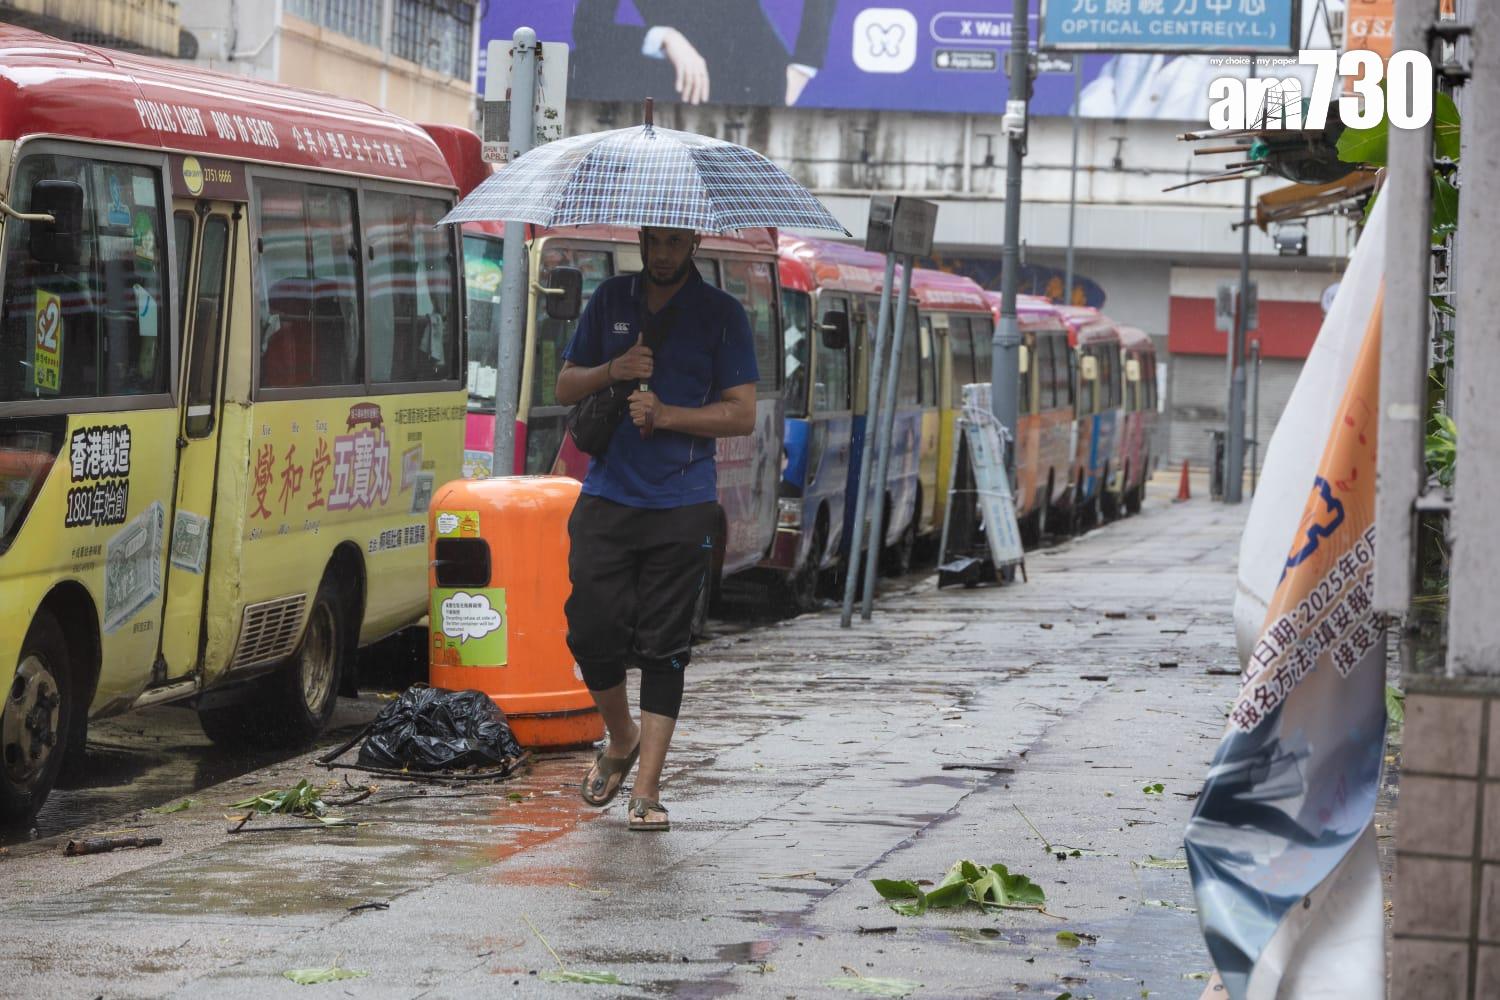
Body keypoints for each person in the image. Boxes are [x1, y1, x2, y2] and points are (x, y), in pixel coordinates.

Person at [555, 226, 758, 831]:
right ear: (642, 239)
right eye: (655, 241)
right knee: (590, 629)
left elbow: (742, 412)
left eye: (676, 242)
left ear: (693, 241)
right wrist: (613, 369)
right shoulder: (610, 299)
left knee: (666, 645)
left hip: (682, 502)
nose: (664, 253)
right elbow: (565, 385)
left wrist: (667, 415)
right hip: (607, 494)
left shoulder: (723, 315)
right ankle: (621, 737)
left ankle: (646, 790)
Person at [569, 0, 835, 107]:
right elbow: (588, 29)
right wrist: (665, 37)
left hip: (758, 85)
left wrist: (805, 64)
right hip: (675, 94)